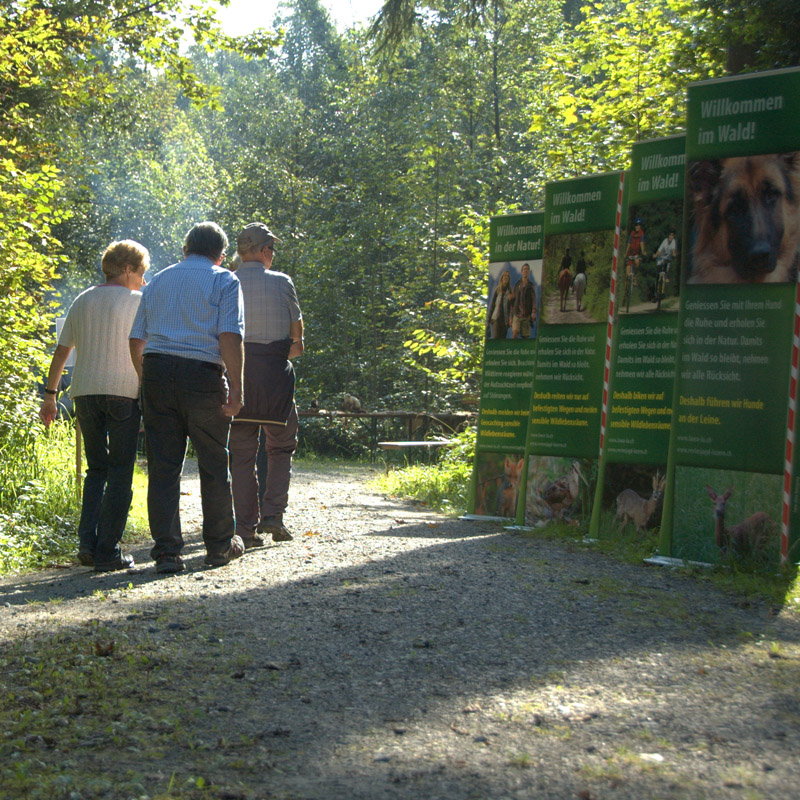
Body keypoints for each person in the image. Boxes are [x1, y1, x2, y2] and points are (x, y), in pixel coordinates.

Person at [129, 222, 245, 573]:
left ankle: (166, 551)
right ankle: (219, 546)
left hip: (158, 373)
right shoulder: (224, 279)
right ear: (221, 255)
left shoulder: (159, 280)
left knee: (163, 466)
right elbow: (229, 335)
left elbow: (136, 340)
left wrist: (145, 380)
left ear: (185, 249)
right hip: (203, 376)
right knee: (213, 461)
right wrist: (237, 387)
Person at [39, 240, 149, 571]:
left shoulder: (83, 299)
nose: (144, 280)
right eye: (141, 272)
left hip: (85, 393)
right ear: (128, 269)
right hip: (124, 394)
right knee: (120, 472)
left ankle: (87, 544)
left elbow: (61, 351)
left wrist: (50, 395)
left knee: (96, 470)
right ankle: (108, 550)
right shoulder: (139, 301)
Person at [228, 222, 304, 546]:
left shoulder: (226, 283)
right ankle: (273, 514)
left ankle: (245, 529)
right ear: (263, 251)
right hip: (275, 379)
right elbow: (298, 344)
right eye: (271, 249)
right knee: (281, 446)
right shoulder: (283, 283)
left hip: (239, 379)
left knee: (242, 453)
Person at [511, 263, 536, 339]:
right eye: (524, 269)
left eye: (527, 269)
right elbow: (513, 300)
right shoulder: (517, 285)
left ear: (529, 272)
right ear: (521, 272)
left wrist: (533, 312)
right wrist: (511, 315)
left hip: (526, 315)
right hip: (517, 314)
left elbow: (533, 299)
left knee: (525, 338)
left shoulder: (530, 285)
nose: (525, 271)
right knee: (514, 334)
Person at [487, 269, 512, 339]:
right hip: (496, 319)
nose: (506, 277)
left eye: (507, 276)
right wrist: (488, 320)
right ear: (502, 278)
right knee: (496, 337)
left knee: (502, 339)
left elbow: (511, 307)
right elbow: (492, 305)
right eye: (504, 276)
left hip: (505, 320)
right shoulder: (497, 290)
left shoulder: (510, 291)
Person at [625, 218, 647, 284]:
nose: (637, 226)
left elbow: (642, 243)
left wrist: (643, 251)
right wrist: (626, 254)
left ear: (640, 226)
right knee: (627, 272)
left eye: (639, 225)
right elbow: (628, 244)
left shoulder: (641, 234)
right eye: (636, 225)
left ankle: (635, 276)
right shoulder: (632, 233)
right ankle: (626, 289)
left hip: (636, 253)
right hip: (630, 253)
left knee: (637, 262)